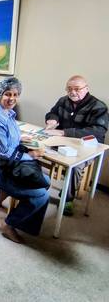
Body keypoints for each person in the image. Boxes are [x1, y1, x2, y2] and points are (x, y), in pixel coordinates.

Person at [0, 77, 50, 244]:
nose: (12, 98)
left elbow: (8, 141)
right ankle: (9, 225)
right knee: (40, 195)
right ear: (0, 95)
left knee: (46, 181)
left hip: (7, 163)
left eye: (16, 94)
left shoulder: (8, 113)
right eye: (8, 94)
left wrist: (19, 137)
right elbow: (4, 153)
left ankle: (26, 224)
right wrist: (31, 155)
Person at [44, 75, 109, 215]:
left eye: (77, 89)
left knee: (76, 165)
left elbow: (98, 131)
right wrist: (52, 121)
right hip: (63, 141)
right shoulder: (63, 101)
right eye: (69, 89)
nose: (72, 92)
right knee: (36, 149)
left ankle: (67, 199)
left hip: (87, 146)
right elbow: (52, 113)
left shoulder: (99, 106)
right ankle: (37, 187)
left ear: (86, 88)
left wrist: (64, 132)